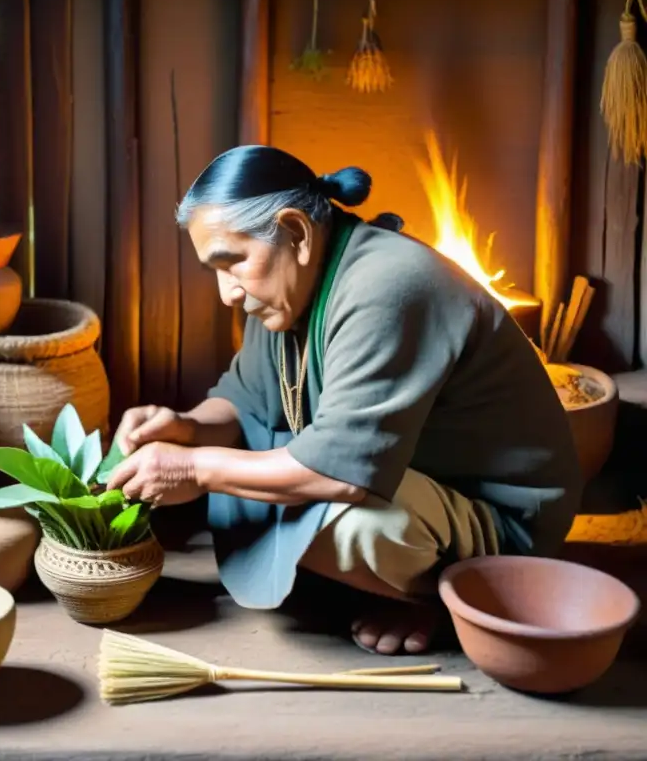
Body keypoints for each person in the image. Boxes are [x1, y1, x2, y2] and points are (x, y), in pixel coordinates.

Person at [105, 144, 582, 656]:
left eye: (233, 262)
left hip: (499, 517)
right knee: (253, 477)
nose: (227, 293)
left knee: (345, 522)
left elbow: (341, 474)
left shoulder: (388, 284)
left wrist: (196, 469)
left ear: (296, 232)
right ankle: (389, 581)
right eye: (214, 270)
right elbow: (244, 402)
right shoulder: (289, 287)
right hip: (408, 478)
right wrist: (186, 427)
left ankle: (457, 603)